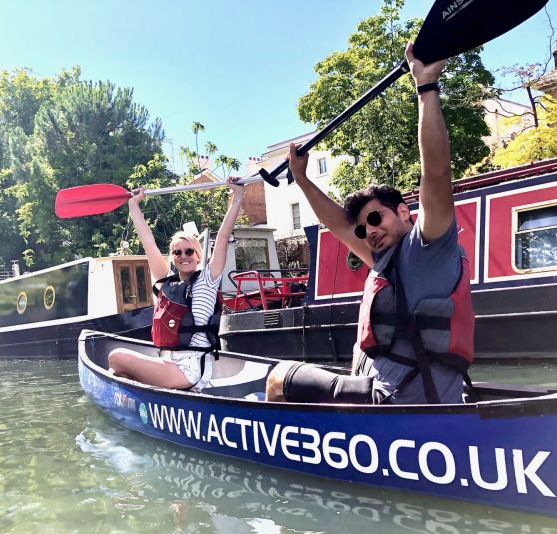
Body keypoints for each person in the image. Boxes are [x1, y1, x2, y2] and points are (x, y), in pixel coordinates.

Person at [266, 44, 474, 405]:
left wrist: (426, 86)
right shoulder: (385, 259)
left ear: (405, 212)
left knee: (278, 378)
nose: (369, 231)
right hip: (386, 392)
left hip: (394, 401)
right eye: (364, 228)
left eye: (375, 218)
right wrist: (300, 179)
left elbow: (437, 173)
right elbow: (341, 227)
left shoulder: (427, 248)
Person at [108, 177, 245, 391]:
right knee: (118, 369)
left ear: (198, 255)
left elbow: (223, 235)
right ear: (173, 257)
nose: (184, 256)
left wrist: (237, 196)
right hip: (168, 362)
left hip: (189, 369)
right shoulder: (166, 282)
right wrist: (134, 206)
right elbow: (148, 243)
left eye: (189, 251)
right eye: (177, 252)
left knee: (116, 358)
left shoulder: (208, 279)